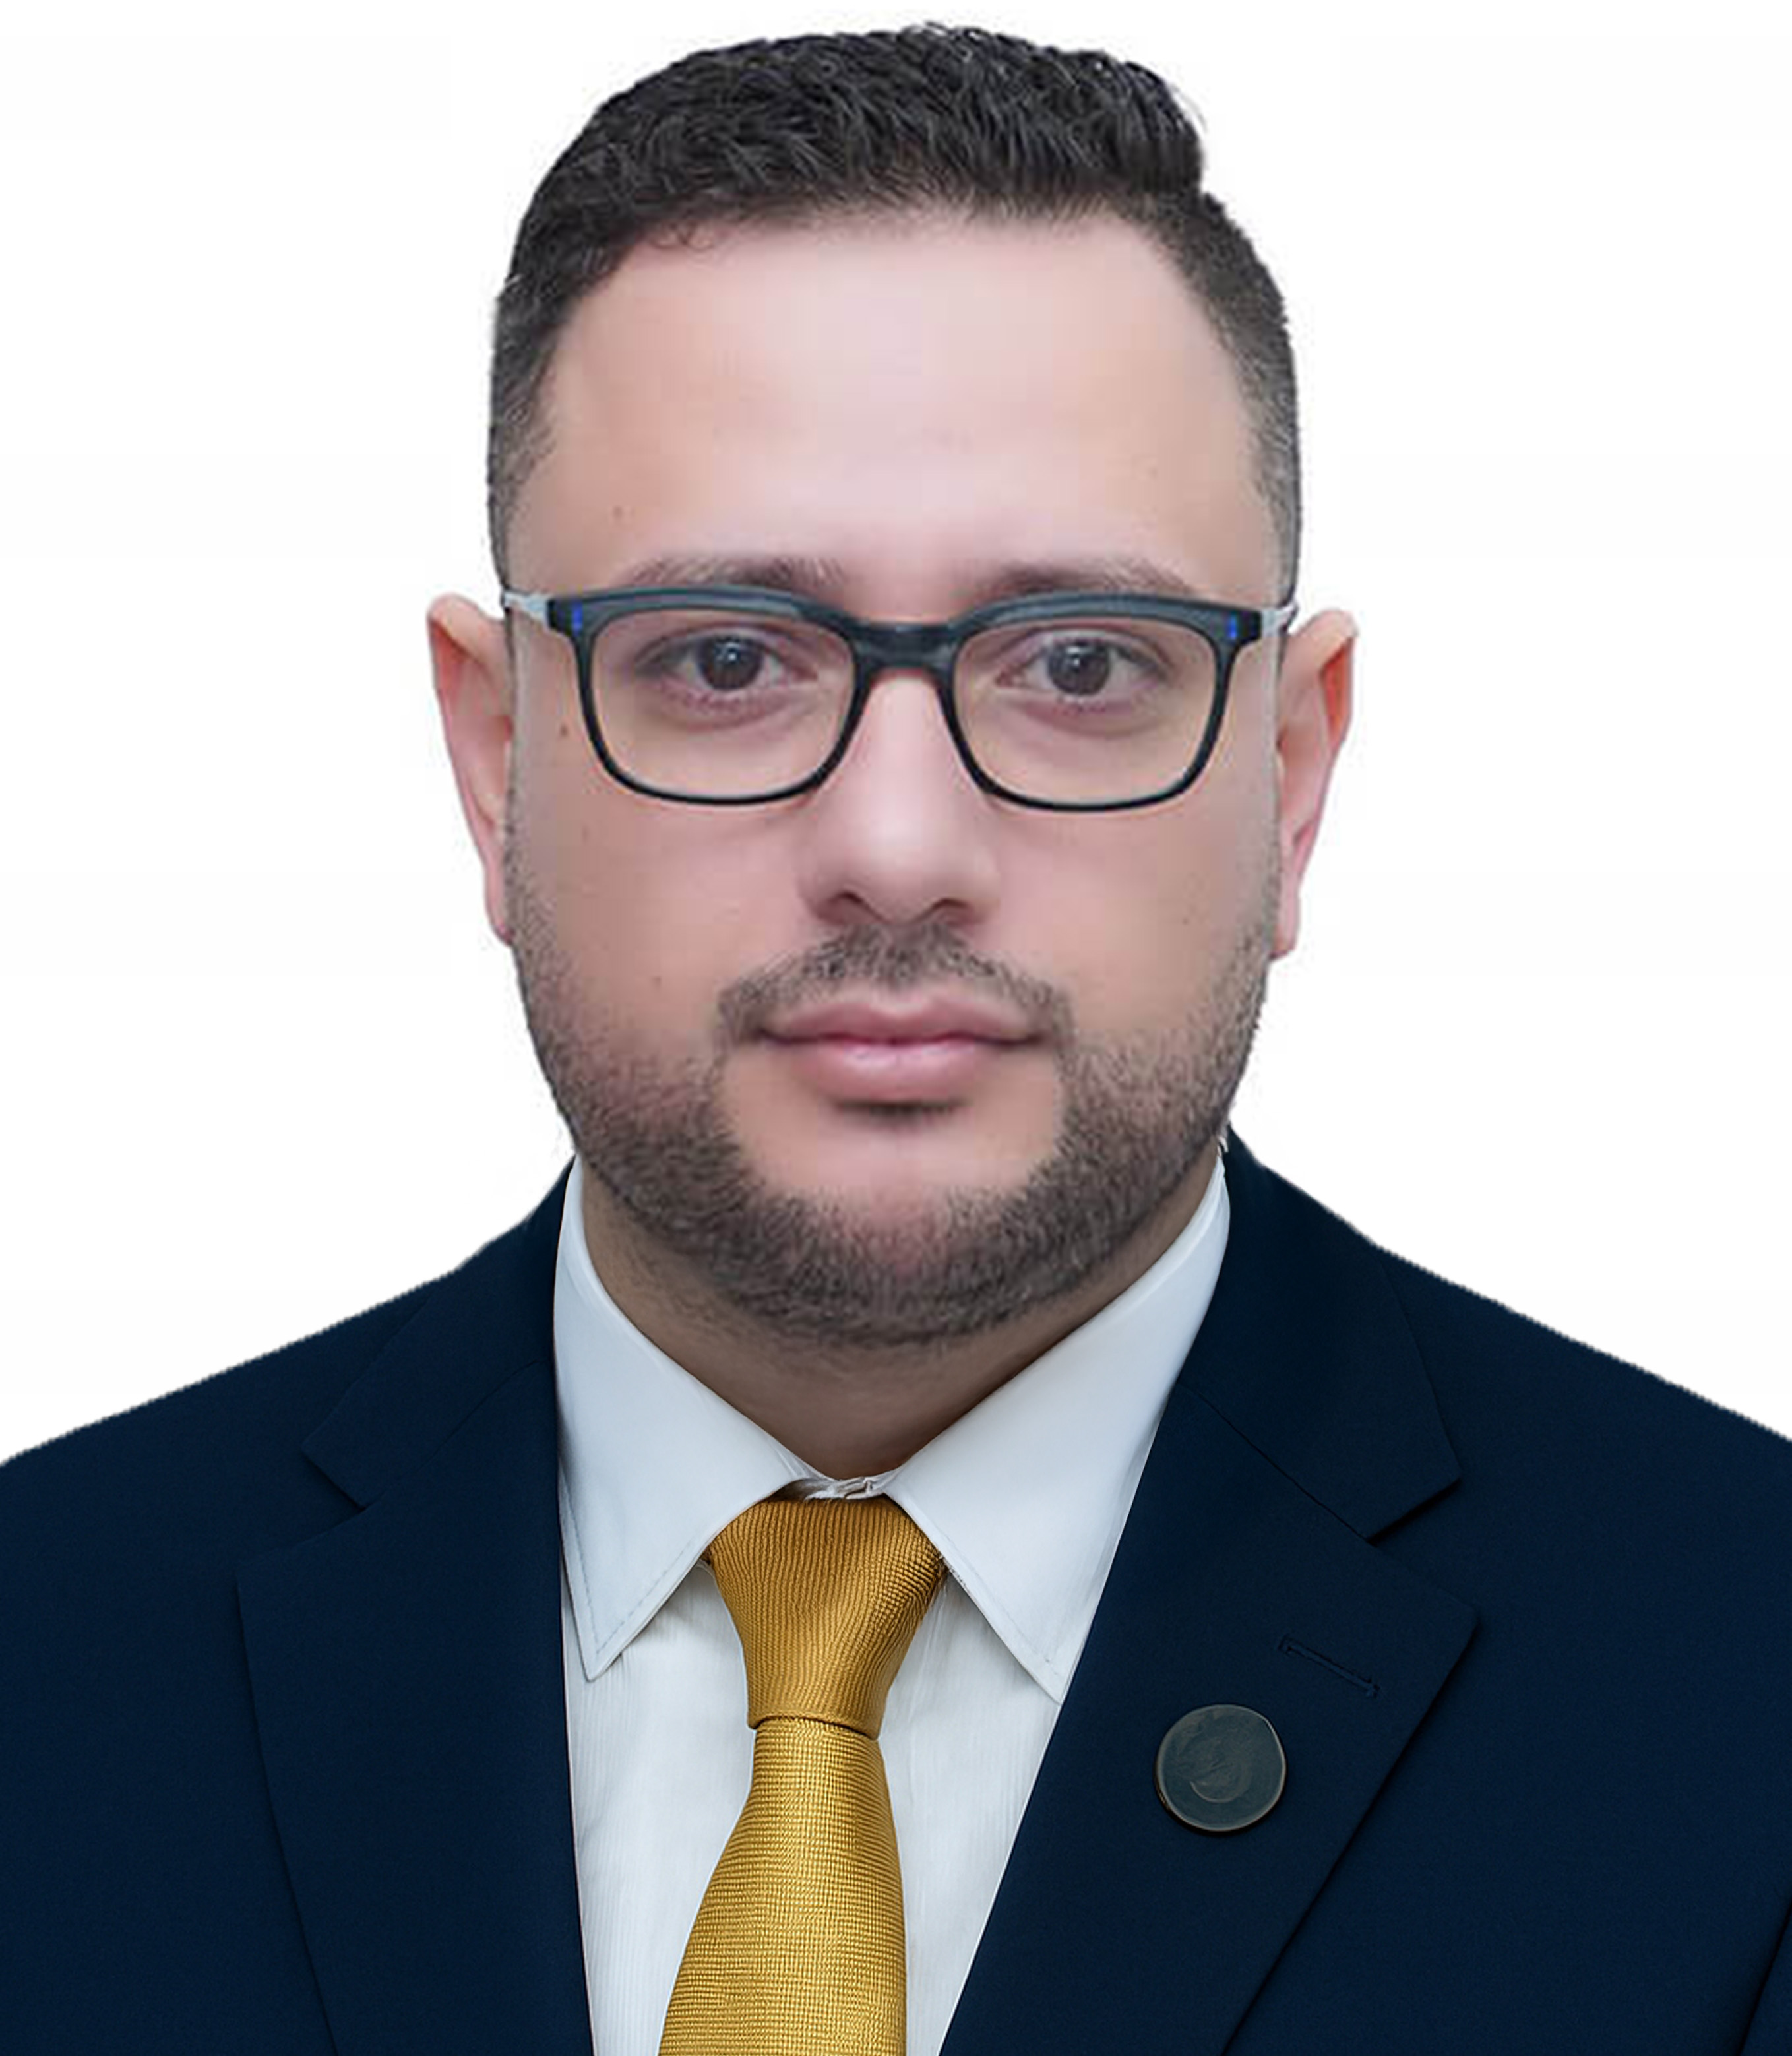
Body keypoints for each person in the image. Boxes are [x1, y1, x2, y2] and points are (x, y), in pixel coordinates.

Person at [3, 24, 1788, 2055]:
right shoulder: (43, 1663)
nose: (900, 848)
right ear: (495, 760)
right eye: (725, 659)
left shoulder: (1752, 1702)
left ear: (1292, 780)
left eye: (1085, 664)